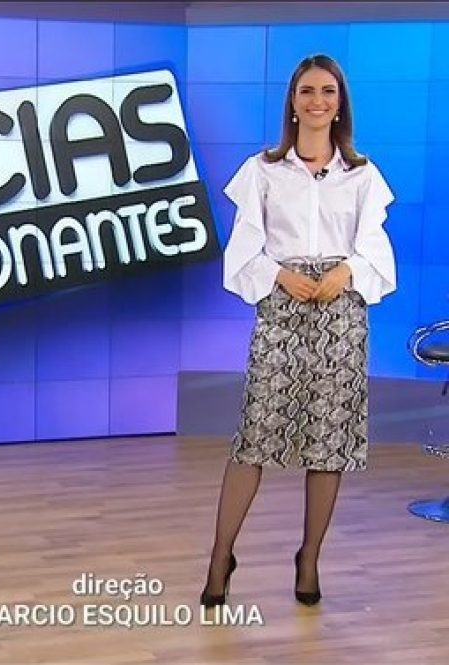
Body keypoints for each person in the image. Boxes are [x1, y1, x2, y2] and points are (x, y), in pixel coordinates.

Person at [201, 54, 396, 607]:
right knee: (255, 436)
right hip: (282, 309)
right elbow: (242, 250)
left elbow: (376, 249)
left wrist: (346, 271)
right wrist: (279, 274)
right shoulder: (262, 170)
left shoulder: (362, 174)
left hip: (340, 313)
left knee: (328, 442)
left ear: (340, 104)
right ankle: (219, 558)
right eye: (307, 91)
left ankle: (309, 558)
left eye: (328, 92)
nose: (317, 101)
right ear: (292, 101)